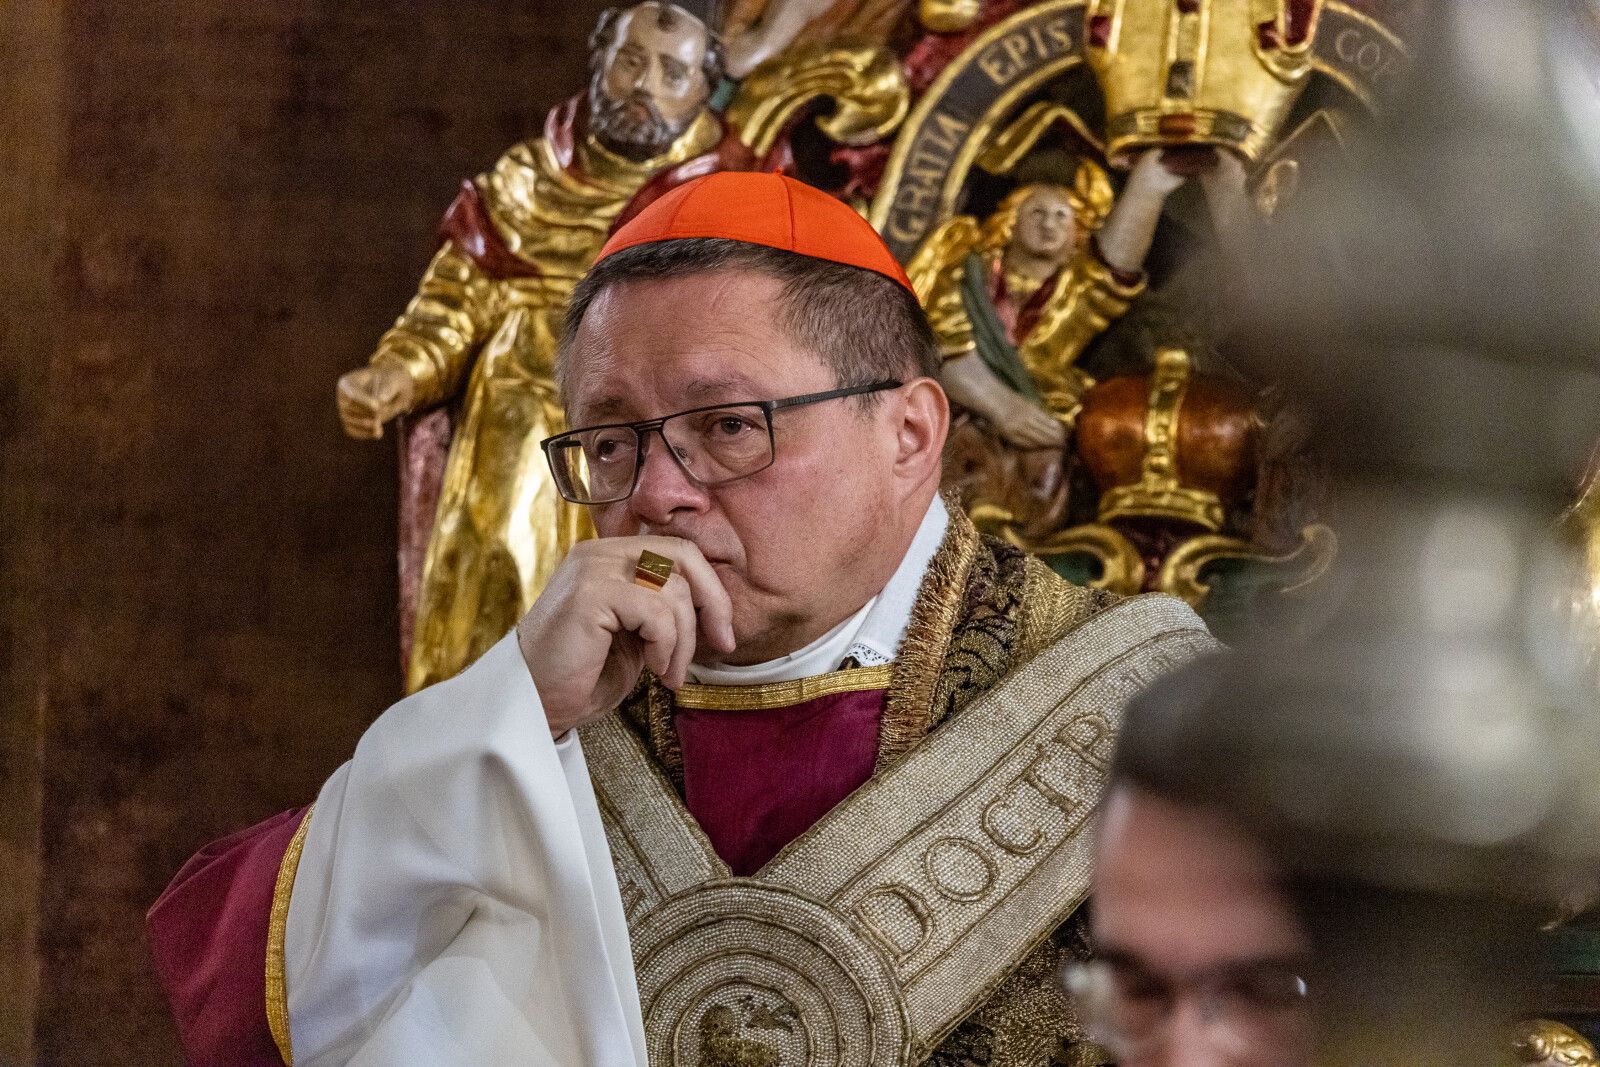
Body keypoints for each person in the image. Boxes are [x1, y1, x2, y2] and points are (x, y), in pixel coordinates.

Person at [150, 171, 1216, 1067]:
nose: (657, 493)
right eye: (611, 443)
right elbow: (243, 997)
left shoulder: (1165, 720)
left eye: (729, 425)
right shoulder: (535, 722)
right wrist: (510, 710)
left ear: (908, 432)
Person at [333, 1, 753, 694]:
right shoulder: (524, 182)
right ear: (599, 62)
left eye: (671, 72)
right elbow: (458, 300)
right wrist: (398, 374)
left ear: (706, 88)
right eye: (629, 61)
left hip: (655, 443)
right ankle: (488, 727)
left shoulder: (734, 198)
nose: (644, 85)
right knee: (500, 596)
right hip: (517, 431)